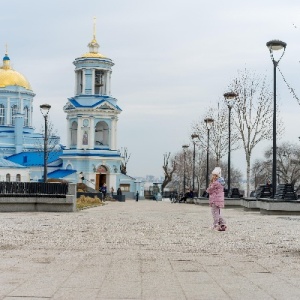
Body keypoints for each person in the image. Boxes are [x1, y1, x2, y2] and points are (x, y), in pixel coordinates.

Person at [206, 167, 227, 231]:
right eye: (213, 175)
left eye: (215, 175)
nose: (214, 177)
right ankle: (223, 223)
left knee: (214, 212)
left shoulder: (215, 183)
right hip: (219, 200)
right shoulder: (221, 183)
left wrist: (211, 184)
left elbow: (209, 190)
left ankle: (216, 224)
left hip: (215, 200)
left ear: (218, 176)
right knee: (217, 212)